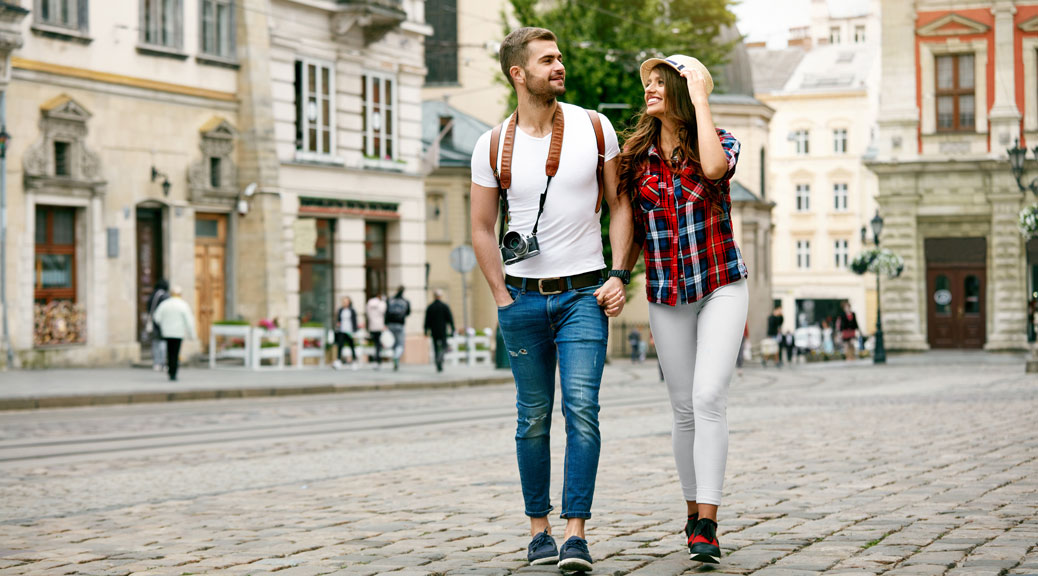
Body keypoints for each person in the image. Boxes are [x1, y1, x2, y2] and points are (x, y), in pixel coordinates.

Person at [469, 27, 632, 572]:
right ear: (519, 73)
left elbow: (619, 204)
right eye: (547, 60)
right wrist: (500, 296)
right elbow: (480, 227)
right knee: (532, 417)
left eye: (560, 57)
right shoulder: (491, 144)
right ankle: (538, 529)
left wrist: (620, 274)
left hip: (585, 295)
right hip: (521, 300)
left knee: (582, 411)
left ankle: (576, 533)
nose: (559, 66)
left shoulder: (594, 126)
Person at [617, 54, 747, 566]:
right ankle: (693, 513)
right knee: (683, 407)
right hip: (667, 291)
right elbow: (627, 224)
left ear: (681, 88)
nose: (648, 90)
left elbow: (714, 169)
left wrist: (700, 96)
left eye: (658, 82)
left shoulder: (718, 141)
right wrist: (617, 274)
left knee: (708, 395)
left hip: (721, 284)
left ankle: (709, 523)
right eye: (646, 83)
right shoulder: (635, 156)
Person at [151, 285, 197, 382]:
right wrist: (192, 335)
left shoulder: (165, 304)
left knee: (169, 352)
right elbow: (189, 321)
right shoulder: (183, 305)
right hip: (178, 333)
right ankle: (173, 373)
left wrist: (164, 325)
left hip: (167, 332)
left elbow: (157, 317)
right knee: (175, 353)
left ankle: (170, 370)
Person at [424, 289, 455, 372]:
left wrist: (426, 330)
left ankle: (437, 362)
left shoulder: (430, 307)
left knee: (435, 347)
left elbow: (427, 320)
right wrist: (452, 328)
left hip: (434, 330)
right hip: (442, 330)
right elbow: (450, 319)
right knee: (444, 346)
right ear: (440, 296)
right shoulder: (444, 306)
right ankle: (440, 358)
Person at [146, 279, 170, 371]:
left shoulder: (153, 295)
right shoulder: (164, 296)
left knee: (155, 343)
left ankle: (156, 363)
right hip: (162, 322)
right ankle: (162, 363)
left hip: (154, 321)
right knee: (162, 343)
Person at [385, 287, 411, 371]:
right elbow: (408, 312)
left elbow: (386, 312)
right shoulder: (405, 301)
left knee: (393, 343)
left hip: (390, 324)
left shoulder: (391, 300)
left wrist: (386, 323)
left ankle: (395, 357)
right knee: (400, 344)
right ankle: (396, 357)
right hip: (400, 324)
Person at [334, 296, 359, 370]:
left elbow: (354, 321)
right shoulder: (341, 310)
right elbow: (338, 319)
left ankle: (354, 361)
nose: (345, 303)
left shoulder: (352, 310)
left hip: (350, 331)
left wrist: (355, 331)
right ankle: (338, 360)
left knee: (352, 346)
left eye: (346, 301)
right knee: (340, 345)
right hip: (342, 330)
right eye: (344, 301)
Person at [366, 292, 387, 368]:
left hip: (372, 325)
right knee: (378, 343)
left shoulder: (369, 303)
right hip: (379, 326)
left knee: (375, 343)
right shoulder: (381, 303)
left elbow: (367, 313)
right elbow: (384, 312)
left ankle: (376, 359)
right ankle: (378, 359)